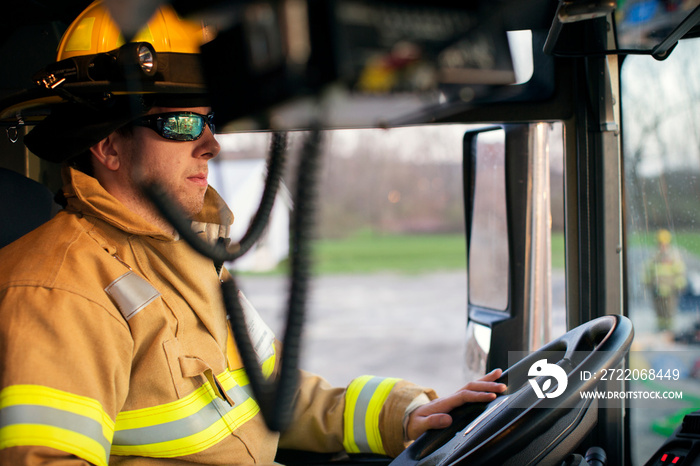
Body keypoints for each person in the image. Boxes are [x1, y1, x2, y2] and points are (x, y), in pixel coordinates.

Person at [0, 2, 506, 464]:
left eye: (209, 120)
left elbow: (274, 396)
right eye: (179, 123)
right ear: (109, 147)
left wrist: (404, 416)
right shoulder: (58, 290)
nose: (210, 145)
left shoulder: (191, 256)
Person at [644, 228, 687, 332]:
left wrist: (679, 286)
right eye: (660, 243)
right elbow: (648, 271)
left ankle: (669, 331)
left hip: (670, 291)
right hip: (657, 290)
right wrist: (648, 284)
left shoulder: (673, 255)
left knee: (669, 312)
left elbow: (679, 271)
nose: (662, 245)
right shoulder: (654, 256)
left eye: (664, 243)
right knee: (659, 313)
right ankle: (661, 329)